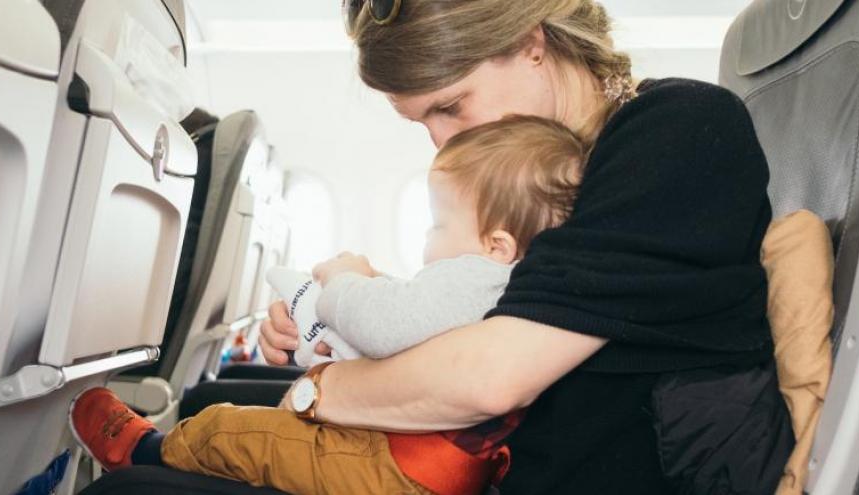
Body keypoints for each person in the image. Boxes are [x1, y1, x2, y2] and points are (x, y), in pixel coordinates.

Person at [251, 0, 793, 493]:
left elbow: (488, 379)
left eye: (451, 105)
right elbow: (498, 309)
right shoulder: (528, 173)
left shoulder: (679, 129)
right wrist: (341, 319)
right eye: (422, 122)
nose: (442, 141)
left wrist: (320, 389)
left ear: (531, 46)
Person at [71, 116, 588, 495]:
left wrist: (345, 280)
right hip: (424, 466)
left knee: (237, 429)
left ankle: (147, 451)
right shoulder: (514, 283)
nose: (429, 242)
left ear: (497, 244)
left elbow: (385, 326)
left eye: (438, 226)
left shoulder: (478, 276)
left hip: (394, 469)